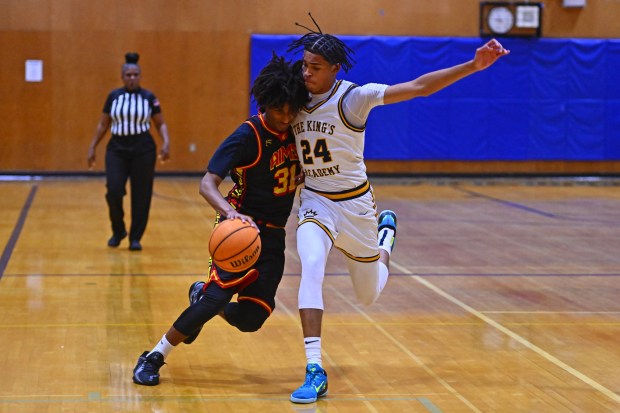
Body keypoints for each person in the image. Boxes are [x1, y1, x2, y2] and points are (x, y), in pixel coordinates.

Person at [286, 15, 510, 404]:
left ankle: (385, 237)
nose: (306, 72)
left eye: (315, 67)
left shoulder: (353, 98)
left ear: (335, 69)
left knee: (369, 294)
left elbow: (420, 87)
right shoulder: (292, 96)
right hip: (316, 202)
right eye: (304, 65)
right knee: (311, 266)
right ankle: (314, 369)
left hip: (356, 207)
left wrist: (473, 66)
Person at [132, 53, 308, 386]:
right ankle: (154, 355)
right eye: (278, 110)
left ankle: (200, 295)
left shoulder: (297, 131)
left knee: (252, 318)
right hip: (241, 229)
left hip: (274, 237)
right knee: (217, 296)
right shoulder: (247, 135)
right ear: (265, 104)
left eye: (290, 110)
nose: (285, 117)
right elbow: (207, 183)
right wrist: (230, 214)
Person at [87, 52, 171, 251]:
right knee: (114, 190)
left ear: (140, 76)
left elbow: (160, 124)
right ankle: (118, 230)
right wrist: (92, 146)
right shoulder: (113, 97)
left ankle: (135, 237)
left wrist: (166, 142)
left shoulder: (149, 97)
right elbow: (103, 124)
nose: (132, 78)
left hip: (143, 149)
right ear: (122, 76)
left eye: (135, 75)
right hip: (117, 149)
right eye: (128, 75)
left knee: (142, 195)